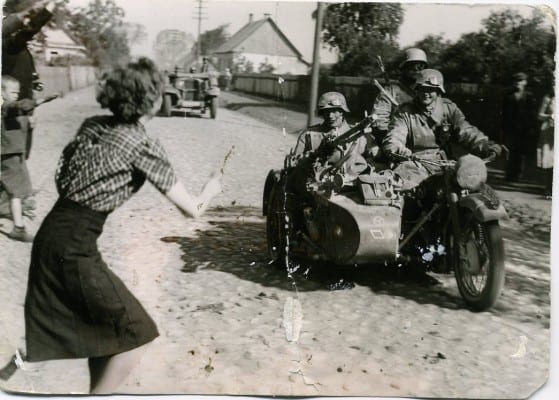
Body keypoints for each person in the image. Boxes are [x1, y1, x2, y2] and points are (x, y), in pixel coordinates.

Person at [23, 57, 222, 394]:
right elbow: (193, 210)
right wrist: (212, 188)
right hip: (74, 247)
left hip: (52, 234)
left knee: (106, 335)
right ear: (153, 100)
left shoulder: (92, 124)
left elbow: (62, 179)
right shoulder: (143, 144)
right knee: (136, 334)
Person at [382, 69, 502, 190]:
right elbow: (395, 136)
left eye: (431, 89)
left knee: (472, 186)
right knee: (407, 190)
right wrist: (401, 151)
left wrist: (486, 145)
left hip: (444, 162)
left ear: (439, 91)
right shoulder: (405, 112)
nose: (426, 93)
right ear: (417, 89)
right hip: (415, 162)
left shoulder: (448, 108)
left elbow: (466, 131)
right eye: (422, 88)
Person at [1, 75, 35, 241]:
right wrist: (36, 102)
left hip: (11, 152)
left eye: (18, 92)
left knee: (9, 187)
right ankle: (18, 228)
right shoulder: (5, 106)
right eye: (13, 92)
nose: (16, 95)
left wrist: (29, 122)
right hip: (10, 154)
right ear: (1, 91)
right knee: (16, 192)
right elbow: (14, 106)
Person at [372, 48, 428, 142]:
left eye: (420, 66)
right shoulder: (390, 91)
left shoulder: (429, 92)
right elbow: (379, 119)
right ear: (403, 68)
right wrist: (391, 139)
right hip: (397, 139)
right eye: (411, 66)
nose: (416, 69)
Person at [501, 72, 537, 182]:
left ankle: (518, 175)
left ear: (525, 82)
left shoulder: (529, 96)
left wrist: (531, 127)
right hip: (511, 128)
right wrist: (504, 127)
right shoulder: (508, 96)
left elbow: (532, 113)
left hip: (524, 129)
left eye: (521, 80)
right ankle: (509, 174)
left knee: (521, 152)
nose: (518, 83)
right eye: (516, 81)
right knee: (510, 151)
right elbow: (504, 113)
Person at [536, 92, 554, 198]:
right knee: (551, 160)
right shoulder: (548, 98)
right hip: (549, 132)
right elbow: (540, 115)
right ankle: (549, 188)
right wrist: (550, 116)